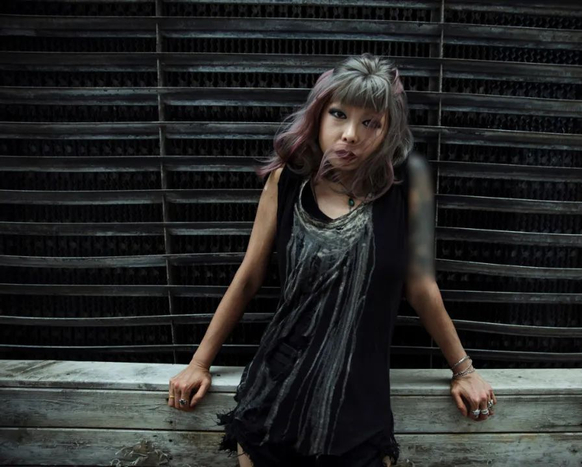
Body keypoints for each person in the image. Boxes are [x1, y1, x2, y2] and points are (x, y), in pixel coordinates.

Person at [167, 53, 497, 467]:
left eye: (370, 122)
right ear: (318, 115)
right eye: (338, 114)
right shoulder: (286, 182)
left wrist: (464, 370)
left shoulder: (407, 186)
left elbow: (420, 285)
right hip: (273, 400)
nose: (350, 134)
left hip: (359, 405)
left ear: (388, 130)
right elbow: (249, 277)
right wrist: (199, 363)